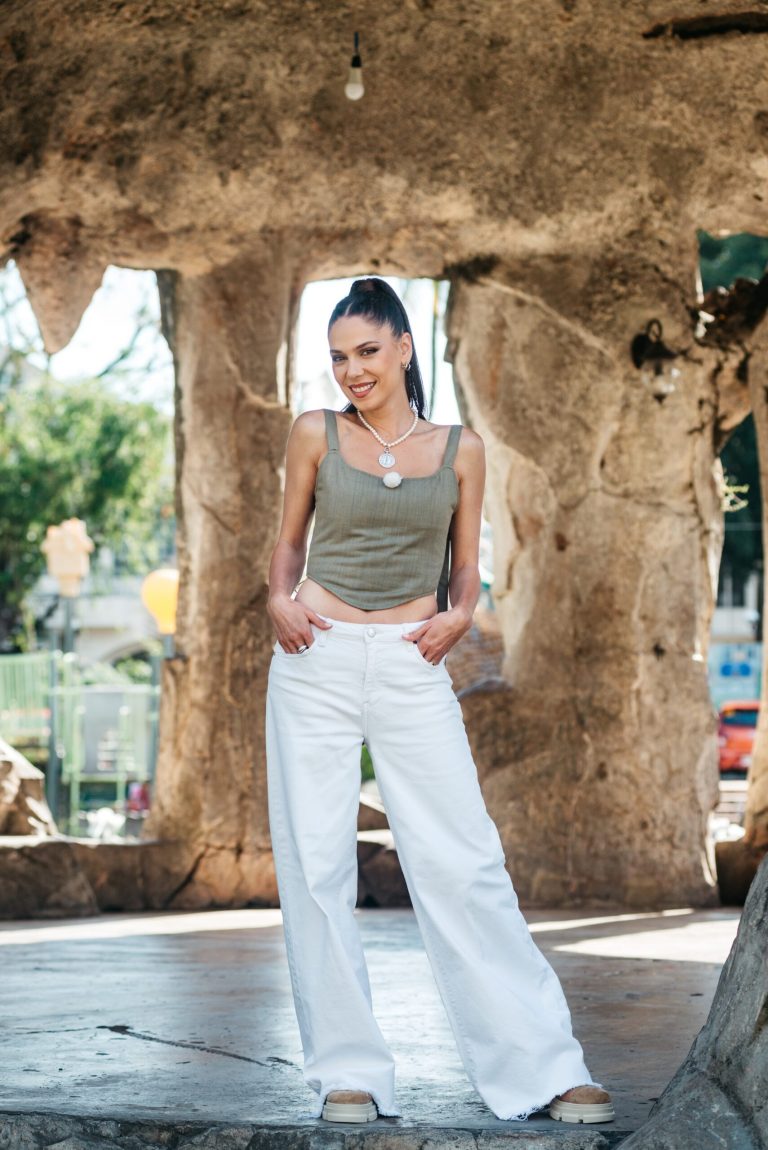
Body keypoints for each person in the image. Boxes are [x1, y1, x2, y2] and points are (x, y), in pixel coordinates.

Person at [264, 277, 615, 1127]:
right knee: (316, 866)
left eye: (367, 352)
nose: (353, 370)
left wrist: (461, 614)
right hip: (315, 657)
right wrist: (277, 599)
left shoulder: (462, 448)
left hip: (413, 660)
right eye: (339, 357)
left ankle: (544, 1067)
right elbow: (289, 541)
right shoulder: (315, 432)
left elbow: (465, 564)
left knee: (465, 862)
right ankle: (348, 1074)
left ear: (404, 347)